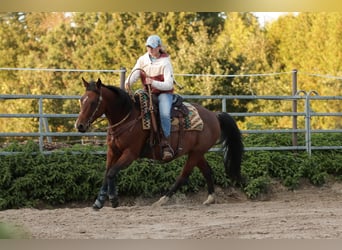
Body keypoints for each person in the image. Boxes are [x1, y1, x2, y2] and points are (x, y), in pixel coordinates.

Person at [125, 34, 175, 161]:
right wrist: (127, 83)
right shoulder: (142, 59)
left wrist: (153, 83)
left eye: (152, 48)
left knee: (164, 113)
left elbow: (169, 84)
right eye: (148, 47)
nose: (150, 50)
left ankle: (166, 143)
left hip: (164, 93)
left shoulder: (165, 62)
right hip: (148, 92)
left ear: (159, 47)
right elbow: (135, 73)